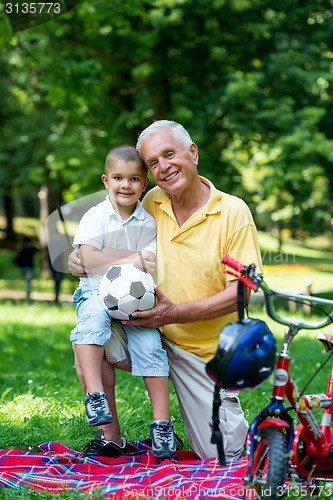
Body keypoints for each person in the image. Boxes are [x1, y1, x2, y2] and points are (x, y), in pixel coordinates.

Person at [69, 121, 263, 461]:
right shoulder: (151, 202)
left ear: (193, 153)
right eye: (153, 162)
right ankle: (109, 438)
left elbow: (242, 293)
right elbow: (106, 235)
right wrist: (80, 258)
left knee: (224, 455)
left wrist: (172, 314)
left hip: (199, 353)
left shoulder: (233, 212)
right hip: (142, 328)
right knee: (89, 332)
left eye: (169, 154)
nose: (163, 167)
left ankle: (179, 423)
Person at [70, 144, 176, 459]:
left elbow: (150, 265)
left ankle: (162, 424)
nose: (125, 186)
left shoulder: (147, 222)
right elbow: (88, 259)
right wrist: (132, 258)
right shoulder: (94, 216)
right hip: (94, 289)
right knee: (92, 324)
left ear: (145, 184)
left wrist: (110, 259)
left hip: (137, 295)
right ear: (106, 180)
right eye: (118, 178)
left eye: (133, 179)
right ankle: (95, 396)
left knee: (151, 347)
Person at [13, 235, 38, 303]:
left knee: (26, 282)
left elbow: (16, 256)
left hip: (23, 267)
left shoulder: (21, 248)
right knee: (28, 282)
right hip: (29, 267)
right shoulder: (32, 249)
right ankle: (27, 297)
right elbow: (36, 258)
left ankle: (26, 296)